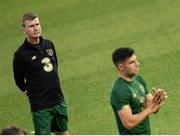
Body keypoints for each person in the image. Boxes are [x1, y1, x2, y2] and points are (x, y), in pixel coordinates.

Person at [13, 12, 69, 135]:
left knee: (64, 133)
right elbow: (18, 80)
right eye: (31, 26)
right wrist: (28, 90)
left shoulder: (49, 44)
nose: (36, 28)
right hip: (41, 106)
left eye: (37, 24)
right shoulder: (21, 54)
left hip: (58, 100)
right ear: (24, 29)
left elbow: (55, 66)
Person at [110, 47, 167, 135]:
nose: (137, 64)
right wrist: (149, 109)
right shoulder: (119, 90)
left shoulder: (138, 79)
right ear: (121, 67)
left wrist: (157, 99)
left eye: (136, 60)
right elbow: (129, 123)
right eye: (132, 62)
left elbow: (151, 106)